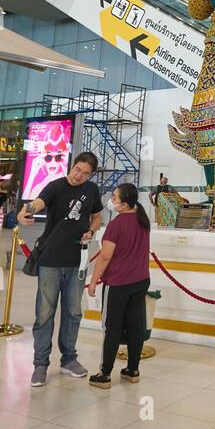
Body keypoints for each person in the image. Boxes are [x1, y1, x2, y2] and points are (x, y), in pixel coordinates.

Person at [17, 152, 103, 388]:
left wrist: (91, 231)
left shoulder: (92, 190)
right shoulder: (55, 186)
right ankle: (40, 364)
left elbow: (97, 216)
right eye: (77, 170)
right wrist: (26, 211)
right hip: (51, 261)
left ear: (91, 175)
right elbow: (38, 203)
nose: (79, 176)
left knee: (74, 312)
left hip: (77, 260)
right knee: (45, 313)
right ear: (72, 165)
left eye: (86, 174)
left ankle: (69, 359)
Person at [86, 182, 152, 388]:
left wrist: (93, 280)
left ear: (124, 204)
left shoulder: (116, 225)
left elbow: (105, 257)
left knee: (112, 327)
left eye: (114, 198)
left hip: (119, 283)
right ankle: (133, 369)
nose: (111, 201)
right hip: (140, 280)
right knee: (135, 326)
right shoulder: (143, 220)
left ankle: (105, 373)